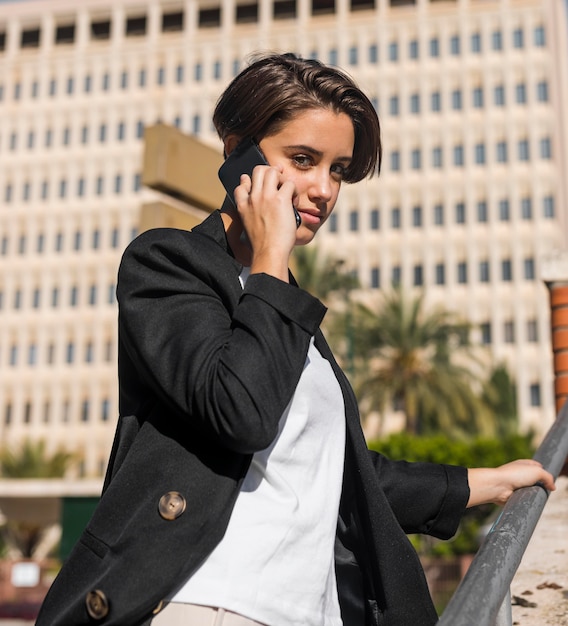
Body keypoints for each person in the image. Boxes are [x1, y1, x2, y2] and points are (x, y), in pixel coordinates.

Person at [35, 52, 555, 626]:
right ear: (238, 155)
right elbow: (240, 413)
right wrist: (271, 258)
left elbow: (336, 468)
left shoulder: (280, 304)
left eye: (338, 169)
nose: (324, 189)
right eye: (303, 159)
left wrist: (482, 482)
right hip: (211, 602)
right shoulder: (169, 265)